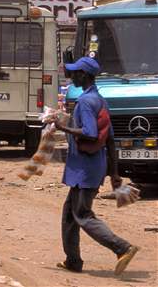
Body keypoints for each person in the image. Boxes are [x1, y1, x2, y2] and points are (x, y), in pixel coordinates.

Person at [53, 57, 139, 275]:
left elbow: (90, 134)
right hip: (93, 167)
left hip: (84, 169)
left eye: (75, 73)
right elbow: (110, 139)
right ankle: (73, 260)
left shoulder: (85, 102)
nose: (72, 77)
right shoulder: (100, 100)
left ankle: (122, 247)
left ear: (85, 75)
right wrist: (115, 173)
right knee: (69, 215)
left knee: (82, 214)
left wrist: (64, 127)